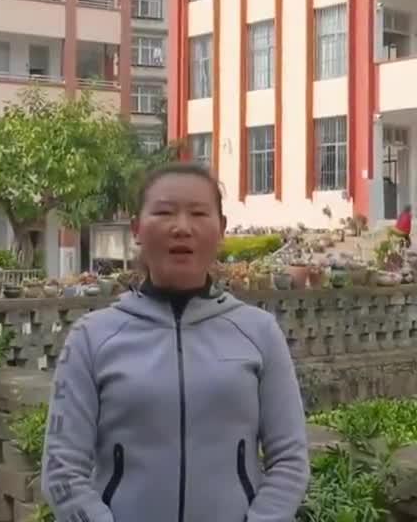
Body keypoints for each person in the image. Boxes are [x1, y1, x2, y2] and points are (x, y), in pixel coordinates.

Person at [40, 162, 310, 522]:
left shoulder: (259, 332)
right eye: (164, 212)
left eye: (198, 213)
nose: (182, 227)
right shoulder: (92, 337)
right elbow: (62, 468)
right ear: (137, 228)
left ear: (221, 229)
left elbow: (289, 460)